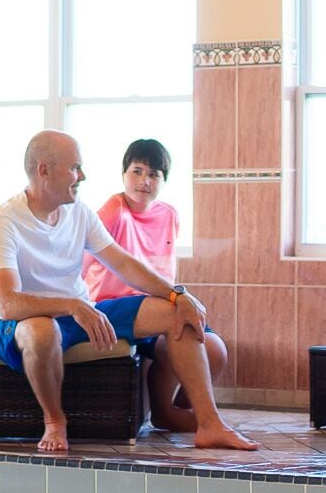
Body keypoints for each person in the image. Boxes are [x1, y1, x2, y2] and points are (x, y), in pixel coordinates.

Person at [0, 129, 255, 456]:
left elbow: (123, 264)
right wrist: (71, 305)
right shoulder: (3, 221)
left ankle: (210, 425)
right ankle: (55, 421)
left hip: (77, 313)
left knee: (175, 313)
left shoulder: (78, 212)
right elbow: (9, 303)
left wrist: (177, 294)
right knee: (42, 330)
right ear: (44, 171)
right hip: (21, 322)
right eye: (75, 168)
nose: (82, 176)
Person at [83, 138, 230, 433]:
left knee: (215, 349)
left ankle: (172, 411)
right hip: (113, 307)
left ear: (164, 180)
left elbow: (165, 270)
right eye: (137, 171)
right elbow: (82, 265)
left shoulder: (170, 215)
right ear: (124, 173)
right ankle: (199, 421)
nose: (144, 181)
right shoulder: (113, 211)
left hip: (157, 306)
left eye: (154, 174)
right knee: (177, 318)